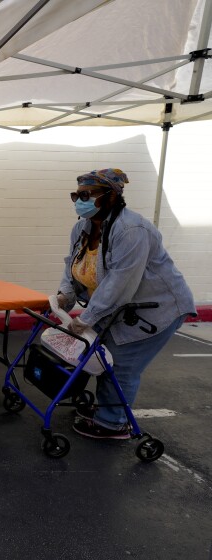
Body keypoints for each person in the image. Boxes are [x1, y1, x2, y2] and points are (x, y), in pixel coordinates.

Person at [55, 168, 195, 439]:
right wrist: (65, 296)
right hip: (118, 307)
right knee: (103, 358)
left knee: (122, 364)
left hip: (156, 309)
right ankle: (109, 408)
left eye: (86, 195)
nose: (79, 200)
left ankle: (113, 422)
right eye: (76, 195)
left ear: (110, 197)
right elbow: (72, 265)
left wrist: (86, 318)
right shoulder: (82, 227)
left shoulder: (131, 230)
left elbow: (121, 283)